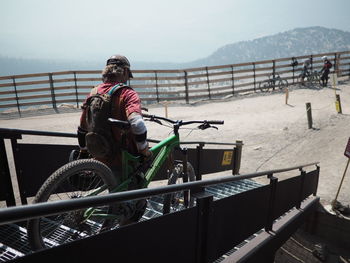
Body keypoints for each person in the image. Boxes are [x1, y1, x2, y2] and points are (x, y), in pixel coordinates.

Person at [77, 54, 152, 174]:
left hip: (99, 158)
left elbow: (82, 128)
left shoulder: (93, 93)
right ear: (125, 72)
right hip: (123, 160)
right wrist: (144, 150)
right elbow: (137, 124)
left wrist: (84, 151)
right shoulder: (128, 94)